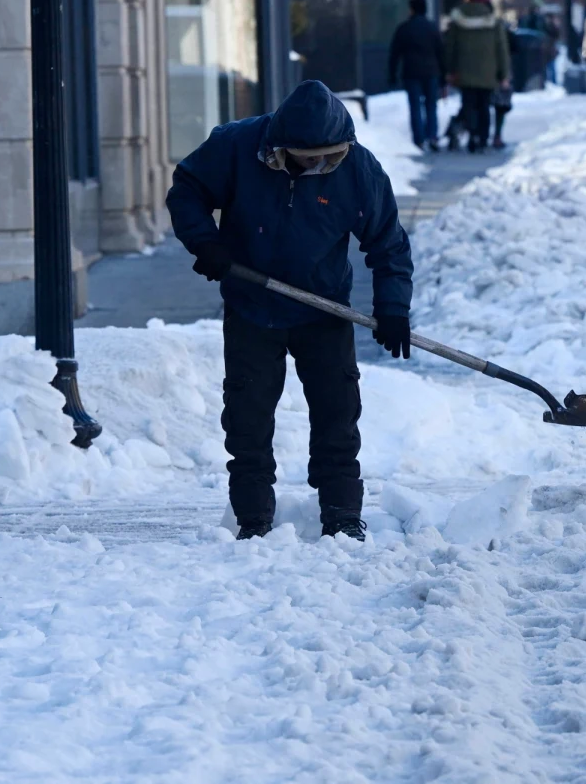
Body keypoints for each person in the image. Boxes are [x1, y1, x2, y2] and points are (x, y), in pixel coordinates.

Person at [166, 80, 414, 542]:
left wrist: (393, 307)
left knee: (338, 416)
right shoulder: (237, 147)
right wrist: (205, 243)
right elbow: (187, 190)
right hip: (252, 306)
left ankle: (342, 517)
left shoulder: (358, 169)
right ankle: (253, 519)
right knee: (248, 419)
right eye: (309, 159)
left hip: (324, 311)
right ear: (282, 149)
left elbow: (389, 245)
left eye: (330, 157)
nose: (320, 165)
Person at [445, 0, 511, 153]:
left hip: (464, 72)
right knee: (484, 107)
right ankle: (482, 138)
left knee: (468, 105)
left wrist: (450, 70)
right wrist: (504, 74)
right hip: (488, 73)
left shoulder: (458, 19)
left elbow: (450, 47)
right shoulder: (493, 21)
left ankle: (472, 134)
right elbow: (501, 49)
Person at [389, 0, 446, 151]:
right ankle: (432, 136)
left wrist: (392, 75)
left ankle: (419, 140)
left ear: (412, 9)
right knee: (431, 105)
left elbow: (395, 54)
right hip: (431, 72)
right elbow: (441, 53)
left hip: (411, 72)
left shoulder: (404, 28)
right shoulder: (432, 28)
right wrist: (443, 76)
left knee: (415, 106)